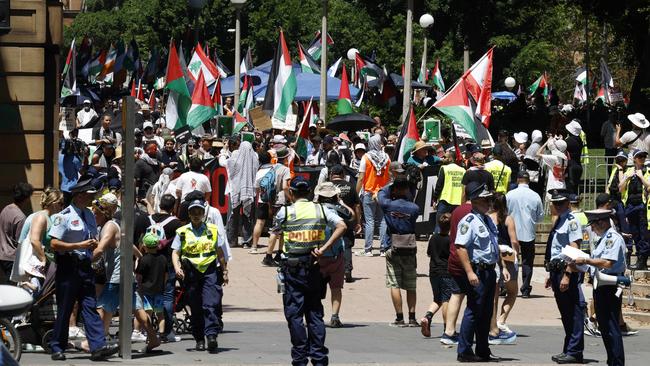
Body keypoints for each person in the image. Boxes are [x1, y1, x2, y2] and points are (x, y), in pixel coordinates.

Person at [273, 176, 345, 366]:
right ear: (309, 192)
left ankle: (299, 358)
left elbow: (276, 231)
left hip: (293, 269)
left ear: (291, 193)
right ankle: (319, 358)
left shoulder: (285, 212)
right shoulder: (320, 209)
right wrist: (324, 248)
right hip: (314, 266)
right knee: (314, 313)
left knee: (295, 315)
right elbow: (342, 225)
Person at [48, 177, 119, 361]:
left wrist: (91, 244)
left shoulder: (88, 214)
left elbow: (91, 236)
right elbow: (54, 243)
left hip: (85, 266)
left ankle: (97, 347)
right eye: (88, 195)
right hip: (68, 266)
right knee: (65, 308)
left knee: (89, 306)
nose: (91, 198)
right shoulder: (63, 216)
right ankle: (57, 346)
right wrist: (78, 245)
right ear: (78, 196)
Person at [171, 199, 228, 353]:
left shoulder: (213, 230)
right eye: (193, 212)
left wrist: (224, 270)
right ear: (189, 214)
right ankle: (199, 339)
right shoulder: (182, 232)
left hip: (209, 271)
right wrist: (177, 268)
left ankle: (211, 336)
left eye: (199, 212)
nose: (196, 215)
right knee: (195, 308)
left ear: (203, 214)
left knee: (211, 304)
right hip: (191, 274)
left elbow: (220, 252)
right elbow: (175, 253)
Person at [455, 183, 503, 363]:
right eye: (486, 200)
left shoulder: (487, 220)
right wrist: (469, 272)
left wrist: (502, 267)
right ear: (475, 200)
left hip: (490, 270)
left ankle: (483, 349)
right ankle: (464, 350)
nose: (489, 203)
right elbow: (460, 247)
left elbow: (493, 245)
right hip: (478, 271)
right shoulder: (469, 222)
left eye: (490, 199)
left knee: (486, 311)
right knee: (474, 310)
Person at [575, 209, 626, 366]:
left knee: (611, 325)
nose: (592, 229)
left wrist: (586, 260)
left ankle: (616, 362)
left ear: (602, 222)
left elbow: (607, 262)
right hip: (601, 284)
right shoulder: (603, 238)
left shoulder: (612, 238)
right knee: (604, 326)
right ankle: (611, 359)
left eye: (593, 225)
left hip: (610, 285)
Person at [544, 188, 584, 364]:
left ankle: (575, 351)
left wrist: (567, 274)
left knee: (574, 312)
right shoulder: (560, 220)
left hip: (566, 270)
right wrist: (551, 272)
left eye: (561, 203)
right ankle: (569, 348)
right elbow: (556, 250)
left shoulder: (571, 220)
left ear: (568, 203)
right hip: (557, 270)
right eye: (555, 203)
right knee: (566, 313)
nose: (558, 206)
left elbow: (574, 248)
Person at [377, 174, 420, 327]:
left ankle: (399, 318)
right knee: (410, 284)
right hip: (409, 246)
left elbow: (380, 194)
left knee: (394, 283)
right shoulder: (414, 208)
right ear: (408, 190)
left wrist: (391, 186)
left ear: (395, 189)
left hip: (392, 245)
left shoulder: (388, 205)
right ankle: (413, 318)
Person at [314, 182, 354, 328]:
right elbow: (351, 216)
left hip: (317, 254)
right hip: (336, 254)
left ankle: (316, 314)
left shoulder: (315, 210)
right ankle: (335, 316)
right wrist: (341, 202)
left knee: (315, 288)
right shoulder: (338, 210)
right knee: (336, 288)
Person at [147, 194, 182, 342]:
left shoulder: (149, 219)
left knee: (147, 298)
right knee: (167, 297)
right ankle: (167, 331)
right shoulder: (176, 224)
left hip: (149, 264)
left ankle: (145, 330)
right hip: (167, 264)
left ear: (160, 204)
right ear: (173, 207)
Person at [506, 171, 544, 297]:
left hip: (512, 232)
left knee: (510, 260)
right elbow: (540, 217)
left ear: (517, 180)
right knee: (528, 261)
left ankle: (507, 286)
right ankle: (526, 288)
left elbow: (504, 213)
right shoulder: (535, 196)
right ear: (528, 180)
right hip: (528, 232)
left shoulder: (510, 195)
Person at [420, 213, 458, 337]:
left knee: (437, 299)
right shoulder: (450, 240)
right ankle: (447, 328)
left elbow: (429, 253)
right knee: (446, 300)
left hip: (433, 272)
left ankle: (427, 317)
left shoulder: (433, 238)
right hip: (446, 272)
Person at [487, 193, 519, 345]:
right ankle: (501, 319)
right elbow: (514, 240)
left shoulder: (487, 217)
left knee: (494, 293)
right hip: (507, 257)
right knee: (512, 292)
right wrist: (517, 254)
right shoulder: (508, 219)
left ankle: (491, 322)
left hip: (492, 256)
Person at [356, 134, 391, 256]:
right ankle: (383, 249)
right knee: (382, 221)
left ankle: (368, 249)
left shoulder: (366, 157)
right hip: (382, 193)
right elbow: (389, 177)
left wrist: (356, 193)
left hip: (369, 192)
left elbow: (361, 178)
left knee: (369, 221)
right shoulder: (386, 157)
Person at [328, 164, 361, 282]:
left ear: (332, 174)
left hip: (329, 220)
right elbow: (357, 205)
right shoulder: (350, 186)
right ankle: (347, 270)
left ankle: (329, 270)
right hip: (347, 220)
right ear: (343, 174)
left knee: (329, 244)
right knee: (347, 246)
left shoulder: (326, 186)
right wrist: (358, 222)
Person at [620, 149, 650, 270]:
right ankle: (639, 258)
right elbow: (620, 188)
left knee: (643, 234)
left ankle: (642, 260)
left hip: (642, 206)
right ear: (634, 159)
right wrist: (626, 178)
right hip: (630, 207)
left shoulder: (647, 171)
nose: (642, 158)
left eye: (643, 156)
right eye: (640, 156)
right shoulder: (628, 171)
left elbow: (649, 187)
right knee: (635, 234)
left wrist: (641, 177)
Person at [136, 233, 168, 342]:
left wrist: (138, 287)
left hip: (146, 290)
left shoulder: (143, 260)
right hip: (159, 290)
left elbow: (139, 276)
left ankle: (149, 333)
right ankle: (162, 333)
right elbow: (166, 275)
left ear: (144, 246)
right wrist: (163, 283)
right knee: (160, 314)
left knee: (147, 312)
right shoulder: (163, 258)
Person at [226, 141, 259, 248]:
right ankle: (247, 241)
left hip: (235, 190)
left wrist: (224, 151)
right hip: (249, 190)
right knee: (248, 216)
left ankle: (232, 241)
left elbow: (226, 164)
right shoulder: (254, 157)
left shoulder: (235, 154)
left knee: (233, 216)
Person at [0, 182, 33, 284]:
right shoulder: (20, 217)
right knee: (12, 289)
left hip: (2, 254)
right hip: (12, 257)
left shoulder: (6, 209)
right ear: (27, 198)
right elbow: (20, 241)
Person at [433, 152, 466, 233]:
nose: (443, 159)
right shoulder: (463, 170)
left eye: (445, 157)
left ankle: (438, 242)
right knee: (456, 226)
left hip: (445, 200)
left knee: (440, 224)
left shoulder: (444, 168)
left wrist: (435, 198)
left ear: (451, 159)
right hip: (458, 201)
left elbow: (439, 185)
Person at [565, 120, 584, 194]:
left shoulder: (569, 141)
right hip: (578, 166)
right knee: (575, 189)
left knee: (570, 189)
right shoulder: (579, 140)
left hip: (571, 167)